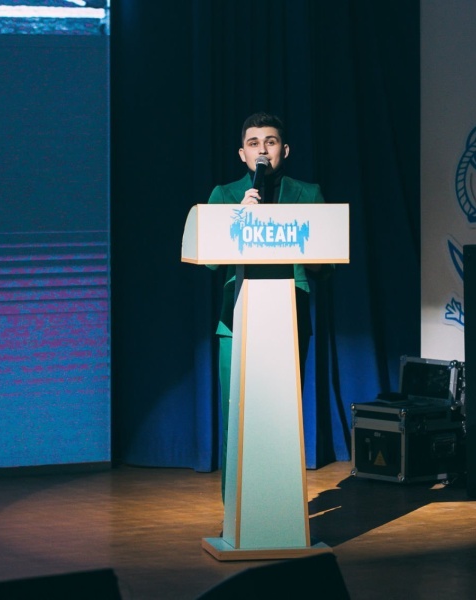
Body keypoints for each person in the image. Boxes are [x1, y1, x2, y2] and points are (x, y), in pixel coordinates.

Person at [207, 111, 331, 499]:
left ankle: (279, 508)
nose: (262, 150)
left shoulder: (308, 194)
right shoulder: (224, 195)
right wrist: (239, 219)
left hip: (288, 316)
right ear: (242, 153)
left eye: (271, 142)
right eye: (254, 143)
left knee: (281, 418)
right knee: (237, 417)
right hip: (236, 321)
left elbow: (323, 265)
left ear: (285, 150)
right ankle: (236, 509)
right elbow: (210, 261)